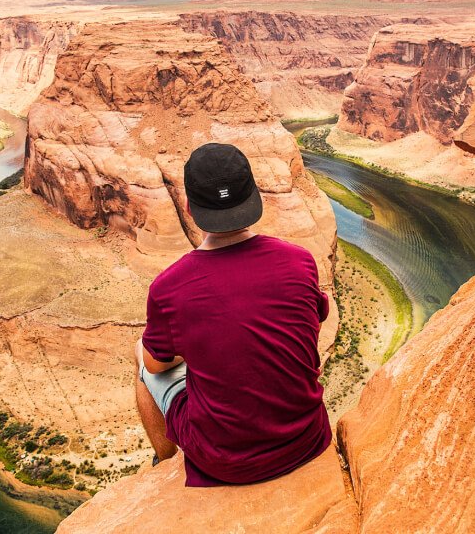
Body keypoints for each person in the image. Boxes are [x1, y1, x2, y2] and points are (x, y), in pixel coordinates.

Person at [134, 142, 331, 487]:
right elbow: (312, 321)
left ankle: (164, 462)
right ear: (254, 197)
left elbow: (156, 366)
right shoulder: (299, 260)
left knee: (140, 356)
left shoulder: (170, 288)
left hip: (226, 462)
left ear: (188, 207)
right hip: (307, 439)